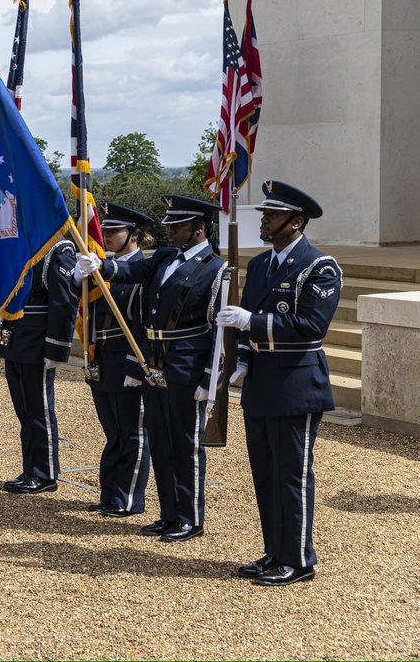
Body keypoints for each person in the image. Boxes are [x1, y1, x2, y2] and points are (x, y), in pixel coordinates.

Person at [76, 194, 227, 542]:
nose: (170, 229)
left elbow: (218, 330)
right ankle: (168, 513)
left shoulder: (216, 268)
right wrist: (101, 266)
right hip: (155, 361)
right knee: (160, 440)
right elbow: (131, 270)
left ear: (200, 228)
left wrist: (210, 377)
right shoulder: (164, 257)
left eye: (178, 225)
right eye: (169, 223)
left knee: (186, 444)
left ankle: (189, 517)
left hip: (188, 362)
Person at [218, 181, 340, 586]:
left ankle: (299, 559)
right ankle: (275, 552)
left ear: (296, 222)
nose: (264, 221)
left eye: (272, 216)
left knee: (292, 474)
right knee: (265, 473)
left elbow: (310, 325)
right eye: (264, 215)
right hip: (262, 383)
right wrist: (243, 359)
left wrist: (250, 322)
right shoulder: (259, 265)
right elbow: (251, 318)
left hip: (296, 383)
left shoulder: (319, 266)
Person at [82, 202, 153, 516]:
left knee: (133, 433)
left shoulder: (144, 271)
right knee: (113, 432)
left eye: (115, 231)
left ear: (134, 235)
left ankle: (129, 498)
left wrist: (136, 364)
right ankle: (110, 493)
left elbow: (144, 322)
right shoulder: (101, 271)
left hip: (128, 358)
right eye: (105, 230)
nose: (107, 235)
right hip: (103, 359)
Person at [0, 225, 78, 495]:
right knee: (25, 411)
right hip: (17, 337)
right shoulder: (25, 248)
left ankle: (45, 473)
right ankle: (31, 467)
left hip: (38, 340)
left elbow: (63, 302)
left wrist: (56, 348)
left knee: (39, 410)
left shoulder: (59, 248)